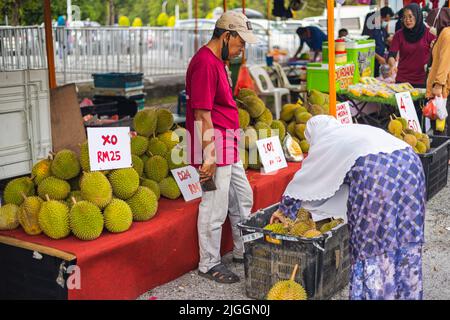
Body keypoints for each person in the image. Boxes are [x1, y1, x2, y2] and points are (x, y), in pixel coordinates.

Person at [271, 115, 426, 300]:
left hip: (377, 175)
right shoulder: (353, 131)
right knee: (404, 237)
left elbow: (306, 181)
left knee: (373, 245)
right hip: (411, 165)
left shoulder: (327, 142)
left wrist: (284, 210)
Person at [185, 11, 256, 284]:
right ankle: (209, 263)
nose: (242, 48)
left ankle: (243, 249)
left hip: (228, 141)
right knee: (214, 207)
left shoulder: (219, 61)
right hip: (213, 143)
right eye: (241, 42)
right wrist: (209, 156)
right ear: (226, 35)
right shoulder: (204, 63)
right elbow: (202, 115)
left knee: (242, 197)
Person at [388, 3, 436, 88]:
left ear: (417, 16)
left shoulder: (429, 33)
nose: (407, 20)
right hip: (402, 81)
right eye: (405, 17)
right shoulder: (399, 35)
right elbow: (391, 55)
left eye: (410, 16)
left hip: (422, 81)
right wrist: (392, 65)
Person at [426, 7, 450, 135]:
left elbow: (445, 61)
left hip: (443, 87)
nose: (431, 28)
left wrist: (438, 84)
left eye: (432, 24)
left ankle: (445, 154)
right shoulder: (444, 34)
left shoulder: (447, 33)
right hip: (442, 86)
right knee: (440, 127)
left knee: (441, 127)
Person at [362, 7, 395, 77]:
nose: (379, 19)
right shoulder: (369, 32)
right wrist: (379, 58)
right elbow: (368, 48)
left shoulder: (381, 28)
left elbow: (387, 39)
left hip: (381, 62)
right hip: (372, 61)